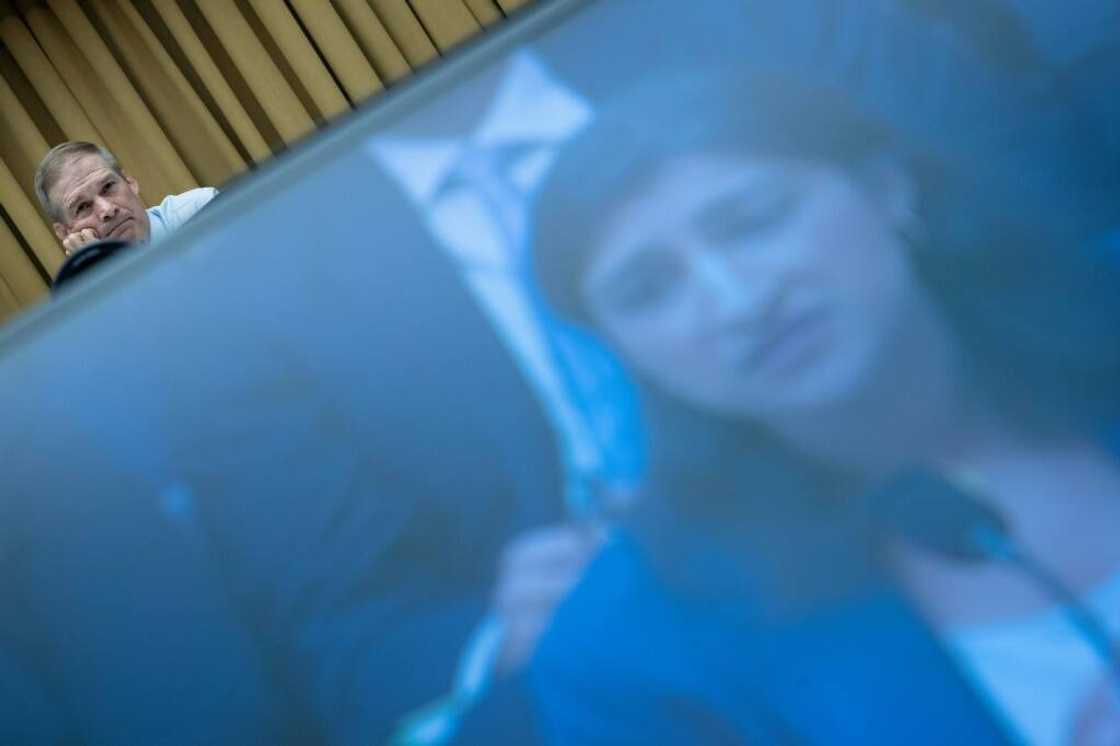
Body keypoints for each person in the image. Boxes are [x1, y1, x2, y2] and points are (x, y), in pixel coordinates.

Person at [519, 71, 1120, 745]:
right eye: (648, 290)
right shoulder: (623, 653)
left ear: (887, 190)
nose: (738, 304)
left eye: (754, 223)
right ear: (624, 352)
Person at [33, 141, 218, 255]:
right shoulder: (87, 301)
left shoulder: (201, 210)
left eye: (108, 187)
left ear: (130, 183)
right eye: (82, 207)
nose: (107, 210)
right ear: (66, 233)